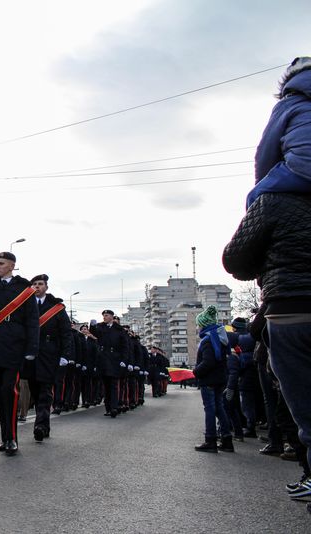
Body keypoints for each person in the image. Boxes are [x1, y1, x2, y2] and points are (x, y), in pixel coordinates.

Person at [223, 145, 311, 503]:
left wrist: (266, 265)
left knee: (304, 409)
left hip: (294, 310)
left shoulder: (274, 197)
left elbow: (236, 259)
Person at [0, 252, 39, 455]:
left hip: (15, 345)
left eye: (1, 263)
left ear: (12, 265)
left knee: (9, 391)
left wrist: (31, 349)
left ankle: (12, 439)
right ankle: (4, 438)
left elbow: (32, 321)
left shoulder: (24, 289)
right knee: (1, 397)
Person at [246, 57, 311, 207]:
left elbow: (266, 151)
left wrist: (262, 181)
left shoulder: (289, 102)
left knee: (255, 198)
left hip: (302, 168)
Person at [26, 274, 73, 441]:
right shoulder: (25, 304)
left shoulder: (57, 307)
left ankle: (41, 425)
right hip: (30, 354)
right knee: (35, 391)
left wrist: (65, 355)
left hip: (49, 354)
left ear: (46, 287)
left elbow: (66, 333)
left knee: (45, 391)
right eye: (34, 284)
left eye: (40, 284)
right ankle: (42, 424)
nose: (37, 287)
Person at [192, 306, 234, 453]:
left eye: (199, 324)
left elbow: (208, 362)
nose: (198, 327)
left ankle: (210, 440)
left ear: (204, 324)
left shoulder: (209, 340)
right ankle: (227, 440)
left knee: (210, 409)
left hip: (209, 380)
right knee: (219, 408)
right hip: (220, 378)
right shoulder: (220, 337)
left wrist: (196, 371)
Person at [90, 310, 128, 418]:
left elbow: (125, 346)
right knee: (106, 386)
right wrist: (92, 326)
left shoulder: (119, 329)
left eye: (106, 315)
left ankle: (114, 407)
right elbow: (95, 334)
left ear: (112, 316)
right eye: (103, 315)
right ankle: (108, 408)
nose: (104, 317)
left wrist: (124, 360)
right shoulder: (101, 327)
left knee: (114, 385)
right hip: (103, 359)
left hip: (115, 360)